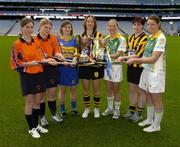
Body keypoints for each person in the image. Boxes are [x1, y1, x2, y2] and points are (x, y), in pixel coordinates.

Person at [10, 17, 56, 138]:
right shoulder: (17, 44)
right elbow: (16, 63)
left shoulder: (36, 41)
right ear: (22, 28)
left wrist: (49, 60)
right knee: (29, 102)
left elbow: (41, 57)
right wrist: (30, 64)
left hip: (39, 74)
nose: (30, 30)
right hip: (27, 76)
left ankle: (36, 125)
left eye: (31, 27)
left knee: (37, 101)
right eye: (27, 27)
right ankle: (31, 128)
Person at [126, 15, 166, 132]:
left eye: (152, 24)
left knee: (156, 99)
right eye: (148, 24)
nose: (150, 26)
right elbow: (142, 55)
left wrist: (135, 60)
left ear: (158, 24)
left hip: (156, 72)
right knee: (148, 96)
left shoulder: (161, 38)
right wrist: (125, 57)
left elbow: (153, 59)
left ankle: (156, 125)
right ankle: (149, 120)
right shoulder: (151, 37)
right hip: (147, 70)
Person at [116, 16, 147, 122]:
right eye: (135, 24)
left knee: (141, 91)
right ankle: (132, 111)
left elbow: (138, 55)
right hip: (130, 67)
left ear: (143, 26)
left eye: (139, 24)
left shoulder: (145, 38)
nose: (136, 26)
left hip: (140, 68)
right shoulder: (130, 37)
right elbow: (128, 51)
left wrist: (123, 57)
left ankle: (139, 114)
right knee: (132, 91)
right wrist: (123, 55)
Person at [34, 18, 64, 127]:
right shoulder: (35, 40)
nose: (47, 30)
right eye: (45, 27)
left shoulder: (53, 38)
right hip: (40, 69)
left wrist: (59, 55)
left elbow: (57, 50)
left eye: (49, 28)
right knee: (41, 95)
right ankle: (42, 116)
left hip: (52, 69)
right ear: (40, 27)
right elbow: (36, 56)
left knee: (52, 93)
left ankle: (54, 114)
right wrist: (46, 59)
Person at [78, 15, 104, 118]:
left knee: (96, 88)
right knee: (85, 88)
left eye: (91, 21)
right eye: (88, 21)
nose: (89, 23)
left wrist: (102, 43)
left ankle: (96, 109)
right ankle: (87, 108)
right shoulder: (81, 35)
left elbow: (103, 49)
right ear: (85, 23)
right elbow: (78, 50)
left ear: (94, 23)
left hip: (96, 65)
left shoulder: (99, 35)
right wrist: (83, 43)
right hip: (84, 64)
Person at [102, 19, 126, 119]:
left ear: (117, 27)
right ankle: (110, 108)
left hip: (116, 67)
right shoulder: (106, 38)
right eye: (110, 26)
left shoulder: (121, 39)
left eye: (114, 26)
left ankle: (117, 110)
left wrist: (106, 56)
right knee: (108, 89)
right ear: (107, 27)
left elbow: (118, 54)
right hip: (107, 67)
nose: (111, 28)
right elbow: (102, 51)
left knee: (116, 90)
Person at [57, 20, 79, 117]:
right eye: (65, 27)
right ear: (62, 28)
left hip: (72, 67)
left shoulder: (74, 40)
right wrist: (63, 61)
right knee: (62, 90)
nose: (67, 29)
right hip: (62, 67)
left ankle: (74, 109)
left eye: (69, 27)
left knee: (73, 89)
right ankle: (62, 110)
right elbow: (56, 53)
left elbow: (76, 52)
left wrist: (74, 60)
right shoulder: (58, 40)